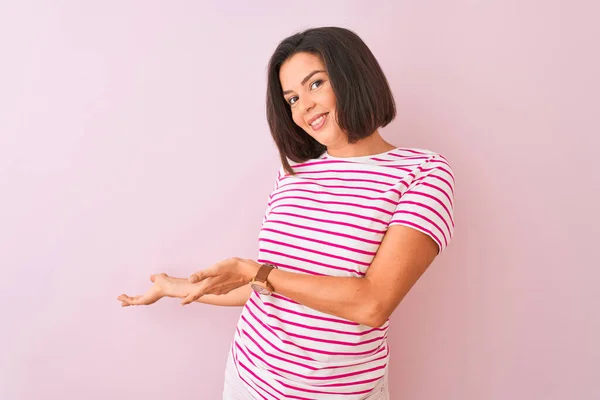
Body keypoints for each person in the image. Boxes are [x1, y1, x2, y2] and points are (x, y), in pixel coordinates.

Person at [117, 26, 455, 400]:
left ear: (353, 76)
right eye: (291, 98)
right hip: (247, 378)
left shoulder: (422, 173)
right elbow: (268, 288)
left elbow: (371, 304)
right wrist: (174, 286)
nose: (304, 107)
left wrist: (257, 271)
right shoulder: (293, 175)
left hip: (337, 393)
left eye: (315, 84)